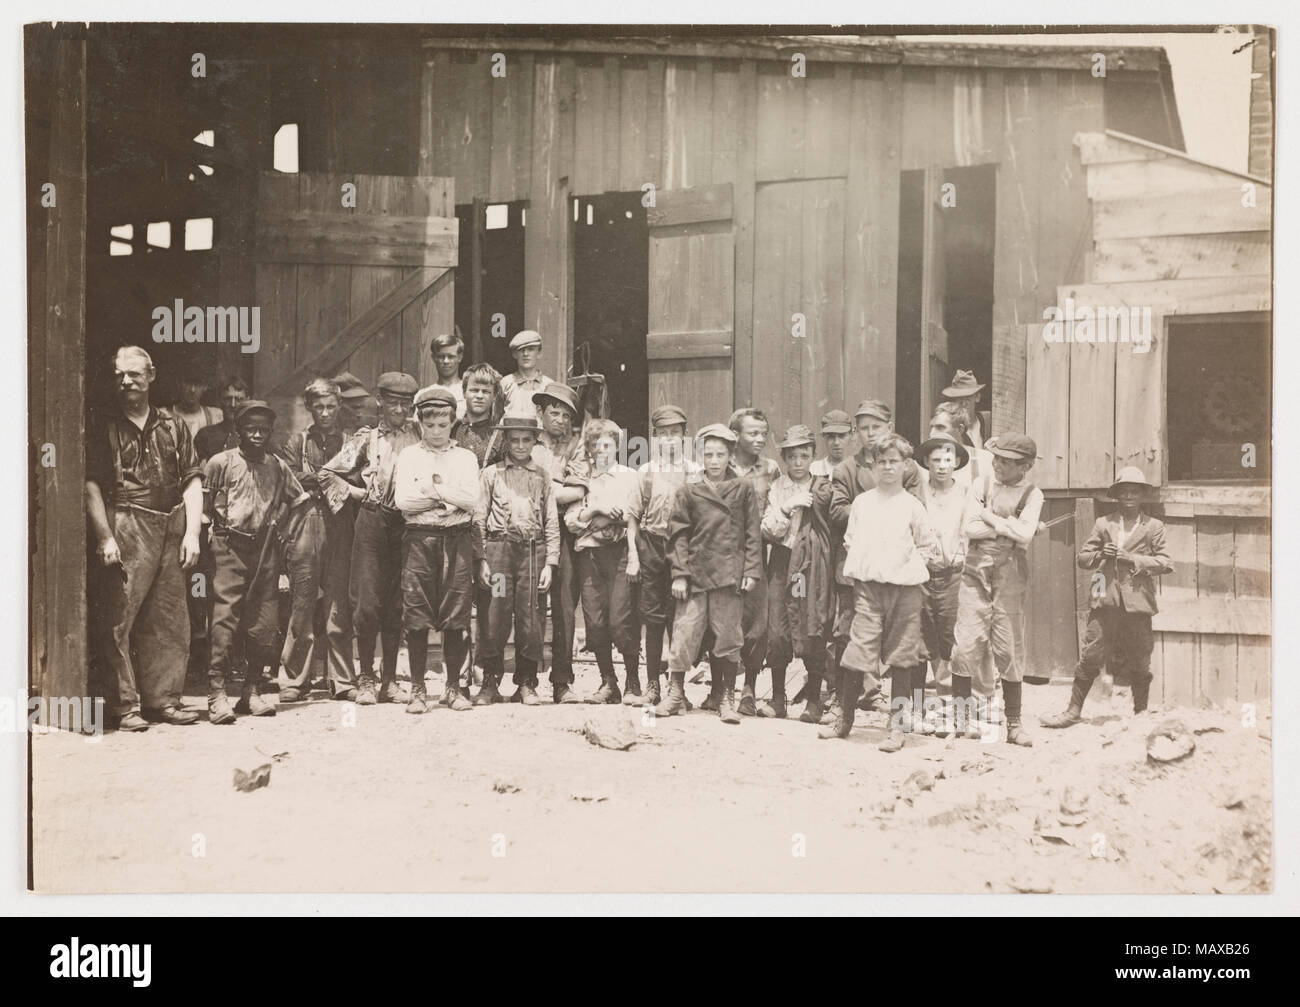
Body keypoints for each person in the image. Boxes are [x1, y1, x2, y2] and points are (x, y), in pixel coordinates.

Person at [86, 346, 204, 731]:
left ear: (151, 376)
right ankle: (124, 706)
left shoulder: (172, 425)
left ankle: (164, 700)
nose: (127, 381)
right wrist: (105, 536)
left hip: (171, 524)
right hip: (126, 522)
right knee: (118, 618)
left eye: (135, 374)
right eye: (120, 375)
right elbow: (91, 485)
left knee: (169, 618)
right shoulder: (103, 424)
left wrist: (192, 533)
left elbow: (192, 480)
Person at [823, 433, 938, 751]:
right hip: (869, 590)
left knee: (902, 657)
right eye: (882, 461)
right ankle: (844, 720)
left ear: (905, 466)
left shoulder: (912, 505)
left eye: (894, 461)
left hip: (905, 592)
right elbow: (851, 540)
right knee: (858, 652)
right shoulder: (863, 503)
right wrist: (873, 568)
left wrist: (904, 568)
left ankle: (897, 728)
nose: (888, 467)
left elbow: (927, 545)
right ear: (873, 466)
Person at [318, 372, 421, 706]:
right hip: (373, 521)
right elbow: (328, 472)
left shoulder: (420, 436)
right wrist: (357, 494)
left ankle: (389, 681)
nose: (400, 410)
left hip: (407, 524)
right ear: (380, 402)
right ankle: (365, 678)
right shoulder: (367, 439)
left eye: (406, 404)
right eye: (393, 403)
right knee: (366, 603)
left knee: (397, 604)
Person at [1042, 467, 1173, 728]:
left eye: (1134, 491)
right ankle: (1073, 711)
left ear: (1142, 495)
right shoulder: (1104, 523)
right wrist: (1101, 553)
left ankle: (1140, 714)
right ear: (1117, 495)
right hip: (1105, 600)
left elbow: (1166, 562)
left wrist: (1132, 558)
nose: (1129, 496)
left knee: (1140, 659)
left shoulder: (1153, 527)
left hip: (1138, 602)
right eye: (1124, 491)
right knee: (1091, 654)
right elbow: (1083, 559)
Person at [204, 400, 305, 724]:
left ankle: (251, 690)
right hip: (228, 546)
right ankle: (217, 693)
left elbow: (298, 501)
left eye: (263, 429)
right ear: (238, 430)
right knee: (224, 619)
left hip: (264, 549)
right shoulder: (221, 463)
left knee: (264, 622)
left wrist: (280, 526)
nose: (258, 435)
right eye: (251, 429)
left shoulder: (277, 465)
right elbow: (203, 507)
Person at [655, 424, 762, 722]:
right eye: (708, 454)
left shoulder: (743, 488)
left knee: (729, 635)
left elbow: (753, 533)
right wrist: (679, 573)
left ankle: (726, 697)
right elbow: (677, 535)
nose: (714, 461)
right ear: (700, 456)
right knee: (684, 632)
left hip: (729, 574)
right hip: (696, 574)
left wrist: (751, 569)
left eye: (720, 455)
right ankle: (675, 693)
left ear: (730, 455)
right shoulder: (689, 490)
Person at [393, 386, 482, 714]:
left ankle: (453, 687)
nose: (436, 432)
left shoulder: (465, 457)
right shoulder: (409, 456)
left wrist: (434, 490)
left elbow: (471, 500)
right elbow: (404, 501)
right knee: (417, 614)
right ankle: (417, 689)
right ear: (419, 423)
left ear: (453, 422)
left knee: (456, 614)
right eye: (429, 425)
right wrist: (446, 497)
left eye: (443, 425)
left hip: (457, 540)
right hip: (420, 539)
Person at [949, 433, 1043, 745]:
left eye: (1007, 461)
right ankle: (962, 721)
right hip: (975, 572)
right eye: (997, 458)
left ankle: (1014, 724)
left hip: (1010, 574)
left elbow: (1026, 535)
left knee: (1008, 647)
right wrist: (1008, 527)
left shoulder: (1033, 494)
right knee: (966, 644)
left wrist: (989, 516)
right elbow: (969, 527)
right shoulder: (982, 484)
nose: (998, 465)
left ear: (1025, 467)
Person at [276, 377, 356, 703]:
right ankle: (295, 679)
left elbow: (357, 475)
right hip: (306, 521)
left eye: (330, 406)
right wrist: (330, 477)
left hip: (341, 524)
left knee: (338, 603)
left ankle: (342, 680)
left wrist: (318, 479)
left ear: (339, 406)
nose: (324, 413)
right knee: (303, 600)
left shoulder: (350, 442)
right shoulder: (296, 441)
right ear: (310, 408)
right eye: (318, 407)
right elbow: (289, 476)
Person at [474, 415, 559, 705]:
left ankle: (526, 681)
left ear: (534, 441)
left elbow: (551, 521)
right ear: (506, 441)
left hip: (532, 554)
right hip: (500, 552)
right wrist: (482, 559)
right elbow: (479, 518)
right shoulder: (492, 474)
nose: (520, 445)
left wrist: (551, 563)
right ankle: (490, 680)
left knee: (531, 616)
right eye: (514, 440)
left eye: (526, 440)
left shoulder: (542, 476)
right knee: (495, 614)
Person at [628, 404, 701, 707]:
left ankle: (677, 689)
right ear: (655, 437)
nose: (669, 439)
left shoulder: (694, 472)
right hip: (651, 546)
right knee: (653, 618)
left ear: (684, 436)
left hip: (683, 548)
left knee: (680, 619)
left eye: (675, 433)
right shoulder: (645, 472)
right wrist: (634, 556)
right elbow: (633, 518)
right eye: (663, 434)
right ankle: (652, 685)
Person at [566, 419, 642, 704]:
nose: (602, 451)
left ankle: (633, 681)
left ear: (617, 446)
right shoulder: (582, 479)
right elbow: (571, 521)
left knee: (621, 619)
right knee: (595, 621)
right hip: (590, 555)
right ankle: (608, 682)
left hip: (620, 552)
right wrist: (596, 509)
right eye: (596, 446)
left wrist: (608, 519)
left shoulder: (629, 477)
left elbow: (636, 515)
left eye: (608, 445)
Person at [761, 425, 833, 721]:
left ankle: (814, 701)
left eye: (804, 455)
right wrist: (788, 506)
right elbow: (769, 530)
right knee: (777, 629)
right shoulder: (777, 488)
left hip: (806, 568)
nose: (798, 462)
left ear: (813, 455)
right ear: (785, 458)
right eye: (792, 456)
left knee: (807, 624)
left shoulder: (822, 487)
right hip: (782, 563)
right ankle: (778, 699)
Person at [530, 382, 586, 703]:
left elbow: (577, 491)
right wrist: (556, 488)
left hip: (564, 530)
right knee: (530, 602)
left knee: (565, 605)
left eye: (567, 415)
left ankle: (562, 681)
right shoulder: (527, 441)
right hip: (530, 528)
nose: (561, 420)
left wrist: (541, 487)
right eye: (555, 412)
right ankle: (526, 679)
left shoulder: (576, 446)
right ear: (541, 412)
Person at [724, 407, 781, 716]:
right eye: (753, 433)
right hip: (723, 552)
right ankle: (720, 691)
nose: (760, 439)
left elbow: (777, 508)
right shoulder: (722, 464)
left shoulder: (770, 469)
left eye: (763, 434)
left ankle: (749, 689)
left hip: (757, 551)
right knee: (724, 620)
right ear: (736, 435)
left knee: (757, 625)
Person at [914, 432, 971, 728]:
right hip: (922, 575)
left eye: (947, 459)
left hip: (953, 575)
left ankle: (956, 712)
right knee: (920, 641)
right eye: (935, 460)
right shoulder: (917, 493)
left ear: (957, 461)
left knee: (952, 640)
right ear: (926, 462)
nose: (941, 465)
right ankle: (916, 711)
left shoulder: (966, 494)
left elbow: (970, 530)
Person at [451, 363, 506, 468]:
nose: (479, 396)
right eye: (474, 390)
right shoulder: (452, 429)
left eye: (486, 391)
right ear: (464, 393)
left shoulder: (500, 436)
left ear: (494, 396)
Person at [194, 376, 250, 461]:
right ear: (219, 401)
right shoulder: (205, 436)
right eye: (227, 399)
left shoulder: (255, 437)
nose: (232, 404)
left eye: (239, 399)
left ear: (247, 401)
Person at [500, 330, 554, 419]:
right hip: (511, 428)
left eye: (531, 349)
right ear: (514, 354)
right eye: (521, 350)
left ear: (539, 353)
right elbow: (496, 417)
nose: (525, 354)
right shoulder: (506, 383)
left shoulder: (548, 385)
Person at [941, 369, 992, 455]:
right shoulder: (951, 428)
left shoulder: (988, 420)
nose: (964, 403)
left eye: (968, 398)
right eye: (959, 398)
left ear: (977, 397)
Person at [428, 332, 468, 419]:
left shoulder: (470, 392)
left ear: (460, 357)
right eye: (441, 357)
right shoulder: (425, 394)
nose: (446, 361)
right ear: (434, 358)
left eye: (451, 356)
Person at [172, 372, 222, 440]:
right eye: (188, 383)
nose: (192, 390)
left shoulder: (216, 416)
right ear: (179, 383)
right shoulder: (163, 415)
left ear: (205, 386)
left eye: (197, 384)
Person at [810, 409, 853, 478]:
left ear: (851, 435)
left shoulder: (859, 470)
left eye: (841, 436)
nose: (836, 442)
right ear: (823, 436)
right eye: (831, 436)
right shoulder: (813, 470)